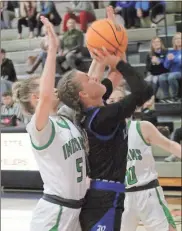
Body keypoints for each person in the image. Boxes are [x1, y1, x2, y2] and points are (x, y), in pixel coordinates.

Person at [57, 6, 153, 229]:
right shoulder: (102, 117)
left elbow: (117, 72)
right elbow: (144, 91)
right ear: (84, 94)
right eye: (89, 80)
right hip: (102, 199)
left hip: (108, 195)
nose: (95, 78)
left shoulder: (96, 106)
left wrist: (113, 37)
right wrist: (116, 61)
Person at [12, 17, 87, 231]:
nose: (54, 87)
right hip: (56, 212)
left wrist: (103, 59)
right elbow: (46, 96)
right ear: (36, 98)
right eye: (47, 85)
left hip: (76, 209)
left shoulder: (64, 118)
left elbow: (86, 86)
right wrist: (52, 51)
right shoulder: (39, 127)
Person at [120, 119, 180, 231]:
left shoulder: (141, 127)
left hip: (148, 193)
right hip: (121, 196)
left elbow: (170, 145)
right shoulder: (104, 133)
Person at [145, 37, 169, 102]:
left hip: (164, 73)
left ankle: (153, 98)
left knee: (155, 79)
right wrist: (152, 63)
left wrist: (159, 63)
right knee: (147, 80)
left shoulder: (166, 52)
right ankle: (150, 98)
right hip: (153, 74)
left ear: (161, 43)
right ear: (152, 45)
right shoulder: (149, 54)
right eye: (154, 42)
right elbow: (147, 69)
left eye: (158, 41)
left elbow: (167, 67)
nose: (156, 43)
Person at [164, 32, 182, 102]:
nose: (178, 40)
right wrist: (169, 60)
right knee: (161, 77)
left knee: (171, 77)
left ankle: (175, 96)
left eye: (180, 38)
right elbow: (166, 66)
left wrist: (175, 59)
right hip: (173, 72)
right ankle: (166, 97)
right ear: (174, 41)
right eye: (176, 39)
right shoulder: (171, 51)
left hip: (180, 72)